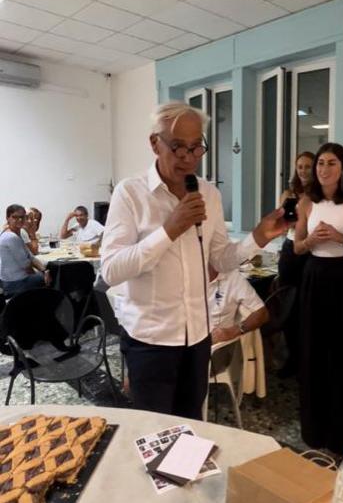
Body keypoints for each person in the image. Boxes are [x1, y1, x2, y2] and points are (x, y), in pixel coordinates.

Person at [101, 101, 287, 420]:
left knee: (191, 428)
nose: (188, 158)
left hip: (198, 338)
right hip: (150, 340)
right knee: (156, 431)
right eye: (177, 147)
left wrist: (258, 237)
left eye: (196, 147)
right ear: (154, 143)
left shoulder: (209, 194)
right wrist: (169, 230)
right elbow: (111, 270)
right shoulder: (130, 193)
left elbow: (221, 260)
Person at [294, 142, 343, 454]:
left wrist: (342, 238)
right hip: (314, 277)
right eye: (320, 163)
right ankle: (315, 432)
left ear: (342, 169)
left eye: (331, 163)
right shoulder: (306, 201)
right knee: (313, 353)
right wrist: (311, 240)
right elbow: (297, 246)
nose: (324, 169)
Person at [277, 151, 315, 378]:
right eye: (300, 166)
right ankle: (291, 357)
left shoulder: (320, 195)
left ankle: (307, 360)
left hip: (311, 253)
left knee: (306, 307)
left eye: (308, 166)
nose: (303, 171)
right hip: (290, 250)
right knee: (287, 307)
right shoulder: (289, 193)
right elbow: (280, 224)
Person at [208, 265, 268, 344]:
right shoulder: (191, 282)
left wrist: (234, 331)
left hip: (216, 345)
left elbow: (262, 313)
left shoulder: (233, 277)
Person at [0, 204, 49, 298]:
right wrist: (42, 276)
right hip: (14, 283)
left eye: (22, 217)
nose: (19, 220)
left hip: (13, 280)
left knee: (47, 273)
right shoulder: (11, 237)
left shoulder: (15, 233)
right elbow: (26, 266)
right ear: (8, 218)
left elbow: (30, 256)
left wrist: (45, 270)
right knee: (53, 277)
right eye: (15, 217)